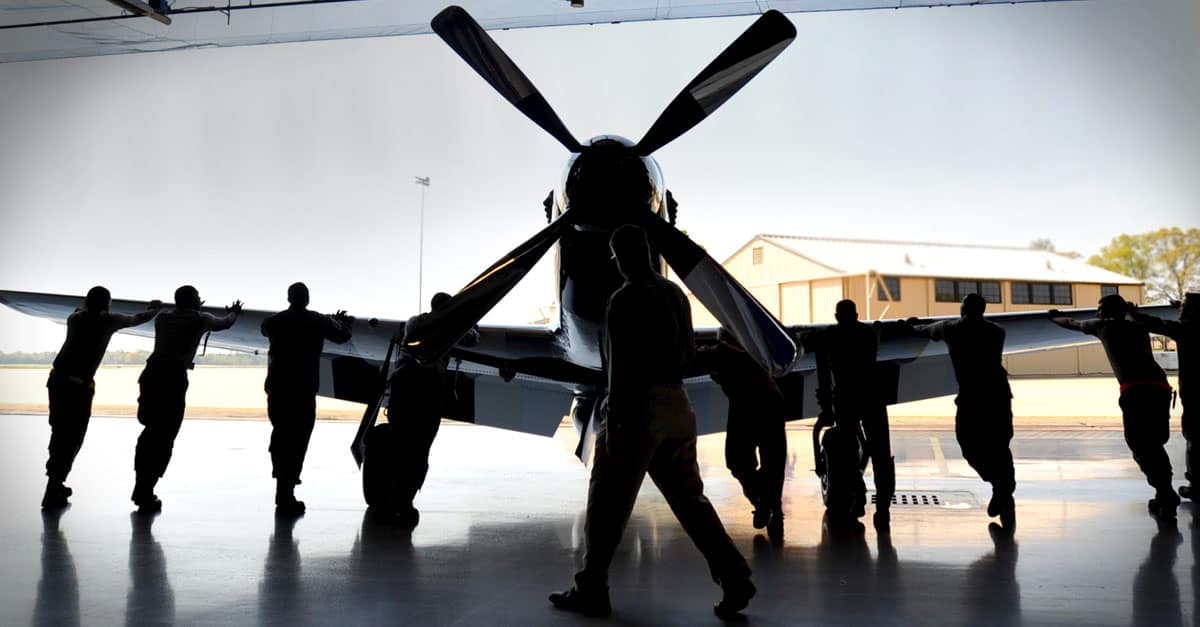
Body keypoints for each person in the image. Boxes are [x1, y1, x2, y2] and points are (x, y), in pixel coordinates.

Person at [550, 224, 754, 619]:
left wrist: (615, 422)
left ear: (620, 259)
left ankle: (592, 587)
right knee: (692, 502)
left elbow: (618, 368)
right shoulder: (676, 294)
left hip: (635, 412)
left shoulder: (622, 300)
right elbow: (687, 353)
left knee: (607, 502)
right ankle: (735, 577)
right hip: (678, 405)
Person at [1050, 294, 1178, 519]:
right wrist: (1131, 311)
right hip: (1160, 387)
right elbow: (1133, 315)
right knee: (1155, 443)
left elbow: (1071, 323)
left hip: (1135, 391)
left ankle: (1165, 492)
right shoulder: (1137, 324)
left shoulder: (1102, 326)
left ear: (1103, 312)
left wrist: (1054, 317)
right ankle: (1164, 491)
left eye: (1099, 309)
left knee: (1141, 444)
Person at [41, 286, 162, 509]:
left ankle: (55, 484)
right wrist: (154, 309)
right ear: (107, 303)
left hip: (57, 382)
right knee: (72, 436)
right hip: (78, 388)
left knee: (60, 432)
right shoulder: (108, 320)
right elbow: (137, 319)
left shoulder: (74, 319)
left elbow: (81, 309)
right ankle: (53, 488)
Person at [131, 285, 242, 513]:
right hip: (173, 378)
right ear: (194, 301)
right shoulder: (200, 319)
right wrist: (235, 312)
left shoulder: (162, 319)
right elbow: (225, 323)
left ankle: (141, 484)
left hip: (151, 375)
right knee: (165, 436)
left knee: (151, 430)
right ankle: (145, 490)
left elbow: (178, 315)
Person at [909, 293, 1016, 528]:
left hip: (973, 397)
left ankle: (1000, 485)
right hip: (998, 393)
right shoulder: (998, 332)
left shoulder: (952, 329)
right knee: (999, 443)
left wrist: (911, 325)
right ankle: (1004, 487)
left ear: (962, 309)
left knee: (968, 444)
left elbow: (925, 331)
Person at [377, 291, 478, 527]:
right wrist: (467, 318)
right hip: (426, 398)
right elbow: (472, 338)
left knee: (403, 447)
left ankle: (395, 499)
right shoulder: (450, 327)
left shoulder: (415, 323)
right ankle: (404, 500)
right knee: (419, 451)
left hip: (404, 395)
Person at [260, 282, 353, 515]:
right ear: (307, 299)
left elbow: (264, 328)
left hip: (278, 388)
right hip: (302, 390)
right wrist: (340, 322)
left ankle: (282, 489)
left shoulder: (274, 322)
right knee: (298, 439)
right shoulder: (318, 321)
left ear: (289, 298)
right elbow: (342, 336)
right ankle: (287, 492)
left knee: (281, 435)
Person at [802, 299, 895, 529]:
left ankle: (856, 498)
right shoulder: (868, 334)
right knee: (881, 453)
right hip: (873, 397)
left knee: (846, 450)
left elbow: (823, 373)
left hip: (846, 398)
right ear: (857, 314)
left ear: (836, 315)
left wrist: (825, 407)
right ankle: (883, 509)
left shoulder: (829, 336)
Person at [695, 328, 787, 536]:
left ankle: (762, 501)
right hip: (772, 403)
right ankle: (774, 511)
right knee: (773, 462)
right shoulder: (755, 353)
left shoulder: (721, 353)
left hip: (746, 406)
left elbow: (692, 357)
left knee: (738, 461)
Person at [1130, 293, 1197, 499]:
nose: (1181, 310)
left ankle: (1197, 486)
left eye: (1184, 307)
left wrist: (1133, 313)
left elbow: (1157, 324)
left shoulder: (1186, 330)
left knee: (1195, 439)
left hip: (1195, 395)